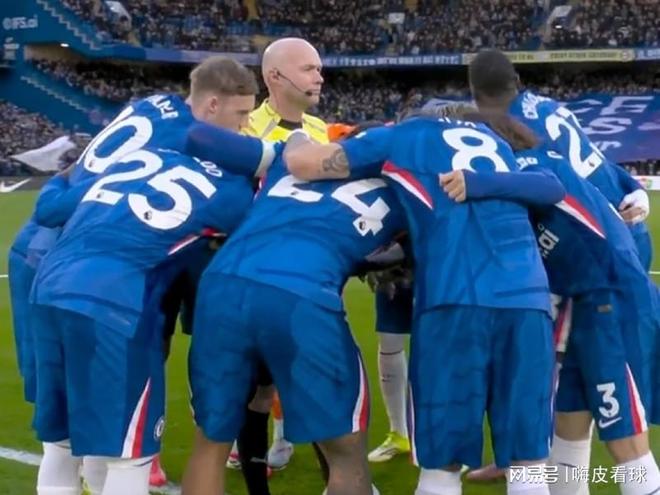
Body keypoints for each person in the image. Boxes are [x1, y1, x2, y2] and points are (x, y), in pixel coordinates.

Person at [283, 113, 565, 495]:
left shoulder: (401, 136)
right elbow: (550, 187)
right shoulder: (492, 139)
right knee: (528, 464)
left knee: (441, 464)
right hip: (527, 299)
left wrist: (296, 135)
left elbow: (302, 164)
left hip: (454, 297)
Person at [29, 57, 271, 495]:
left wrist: (65, 174)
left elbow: (52, 205)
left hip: (49, 287)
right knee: (130, 457)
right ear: (213, 106)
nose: (244, 126)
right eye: (241, 115)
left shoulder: (142, 154)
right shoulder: (233, 189)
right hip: (115, 303)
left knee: (61, 447)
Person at [438, 107, 660, 495]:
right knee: (567, 422)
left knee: (622, 435)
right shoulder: (519, 171)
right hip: (580, 305)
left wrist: (474, 181)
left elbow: (550, 186)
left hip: (609, 301)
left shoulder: (528, 166)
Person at [181, 124, 405, 495]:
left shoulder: (291, 159)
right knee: (346, 455)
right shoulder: (404, 189)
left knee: (210, 444)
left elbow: (201, 137)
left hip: (223, 283)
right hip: (300, 292)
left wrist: (295, 140)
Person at [224, 37, 329, 491]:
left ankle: (340, 482)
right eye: (308, 69)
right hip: (255, 280)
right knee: (257, 393)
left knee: (317, 386)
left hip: (312, 279)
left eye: (319, 68)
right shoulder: (244, 128)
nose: (319, 77)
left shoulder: (320, 129)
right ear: (274, 77)